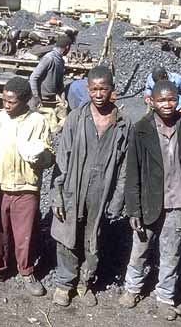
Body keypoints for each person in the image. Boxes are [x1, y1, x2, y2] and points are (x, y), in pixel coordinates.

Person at [119, 80, 181, 321]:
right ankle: (132, 288)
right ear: (151, 102)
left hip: (177, 201)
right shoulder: (141, 128)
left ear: (179, 100)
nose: (167, 104)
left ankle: (165, 297)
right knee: (140, 249)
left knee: (171, 251)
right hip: (147, 201)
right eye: (162, 100)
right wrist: (133, 209)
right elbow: (132, 170)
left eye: (172, 99)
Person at [51, 66, 131, 307]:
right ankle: (64, 283)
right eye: (94, 89)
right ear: (88, 89)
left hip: (101, 192)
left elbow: (125, 168)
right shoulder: (76, 117)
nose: (98, 94)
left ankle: (85, 283)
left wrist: (117, 200)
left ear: (112, 90)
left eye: (103, 89)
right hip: (73, 187)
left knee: (93, 238)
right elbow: (62, 159)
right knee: (67, 234)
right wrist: (57, 195)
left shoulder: (123, 124)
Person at [0, 77, 54, 296]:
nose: (6, 105)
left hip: (26, 187)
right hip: (2, 185)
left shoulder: (38, 121)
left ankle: (26, 271)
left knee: (25, 233)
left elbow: (50, 156)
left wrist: (39, 159)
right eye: (4, 100)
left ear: (24, 101)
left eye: (11, 102)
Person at [29, 35, 73, 133]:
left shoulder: (60, 61)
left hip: (52, 98)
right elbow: (33, 77)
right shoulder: (49, 59)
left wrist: (62, 97)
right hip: (41, 99)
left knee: (60, 123)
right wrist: (36, 97)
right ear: (67, 47)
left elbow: (60, 83)